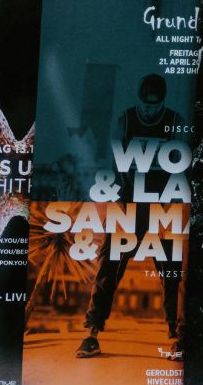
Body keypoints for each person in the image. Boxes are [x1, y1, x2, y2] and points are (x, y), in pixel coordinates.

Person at [76, 74, 184, 359]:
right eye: (145, 105)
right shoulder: (125, 120)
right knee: (107, 266)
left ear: (162, 102)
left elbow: (182, 166)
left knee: (173, 270)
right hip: (129, 204)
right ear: (139, 102)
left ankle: (177, 333)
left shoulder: (174, 120)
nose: (149, 110)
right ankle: (91, 334)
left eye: (155, 105)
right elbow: (114, 166)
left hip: (161, 205)